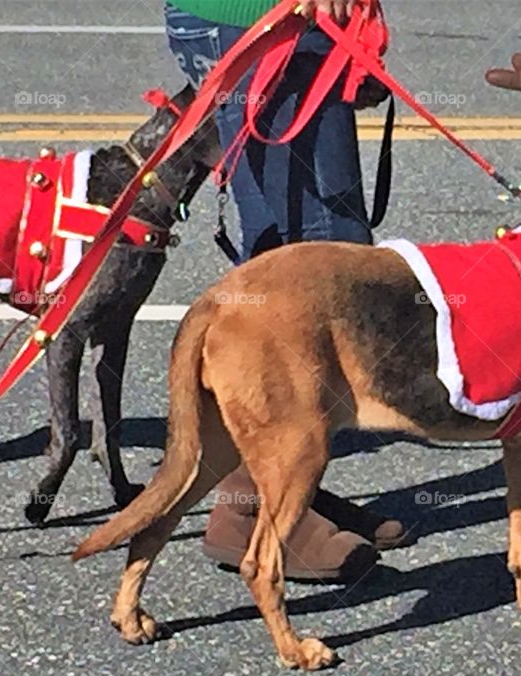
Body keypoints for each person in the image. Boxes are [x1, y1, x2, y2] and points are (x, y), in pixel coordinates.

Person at [164, 0, 404, 581]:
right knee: (324, 264)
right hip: (271, 22)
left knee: (275, 255)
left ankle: (284, 489)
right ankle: (255, 512)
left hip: (236, 20)